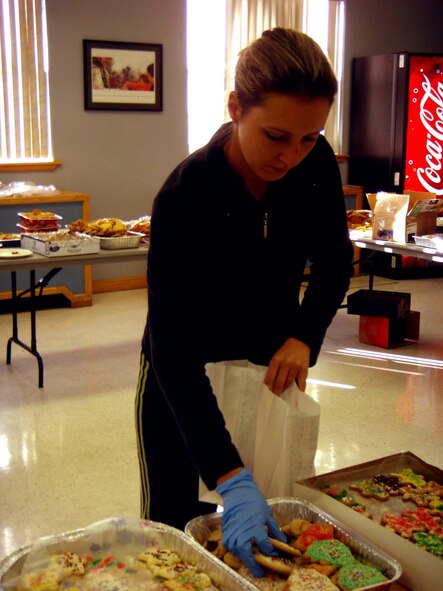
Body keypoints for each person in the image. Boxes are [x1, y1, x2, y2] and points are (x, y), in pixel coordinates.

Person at [135, 28, 354, 577]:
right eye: (276, 135)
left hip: (268, 363)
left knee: (273, 515)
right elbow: (174, 356)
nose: (291, 156)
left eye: (309, 138)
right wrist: (228, 478)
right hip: (177, 375)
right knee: (172, 522)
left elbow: (334, 265)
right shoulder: (184, 197)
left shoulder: (315, 165)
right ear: (236, 107)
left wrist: (305, 335)